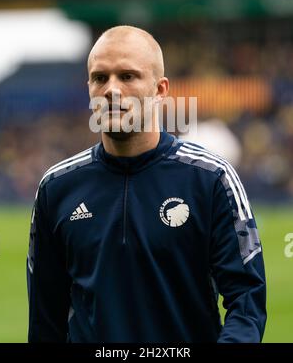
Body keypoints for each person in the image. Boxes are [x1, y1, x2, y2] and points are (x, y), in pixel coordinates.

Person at [27, 25, 266, 343]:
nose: (111, 90)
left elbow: (246, 303)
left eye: (127, 76)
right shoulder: (57, 188)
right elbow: (46, 322)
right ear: (89, 88)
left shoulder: (211, 179)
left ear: (160, 89)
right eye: (100, 78)